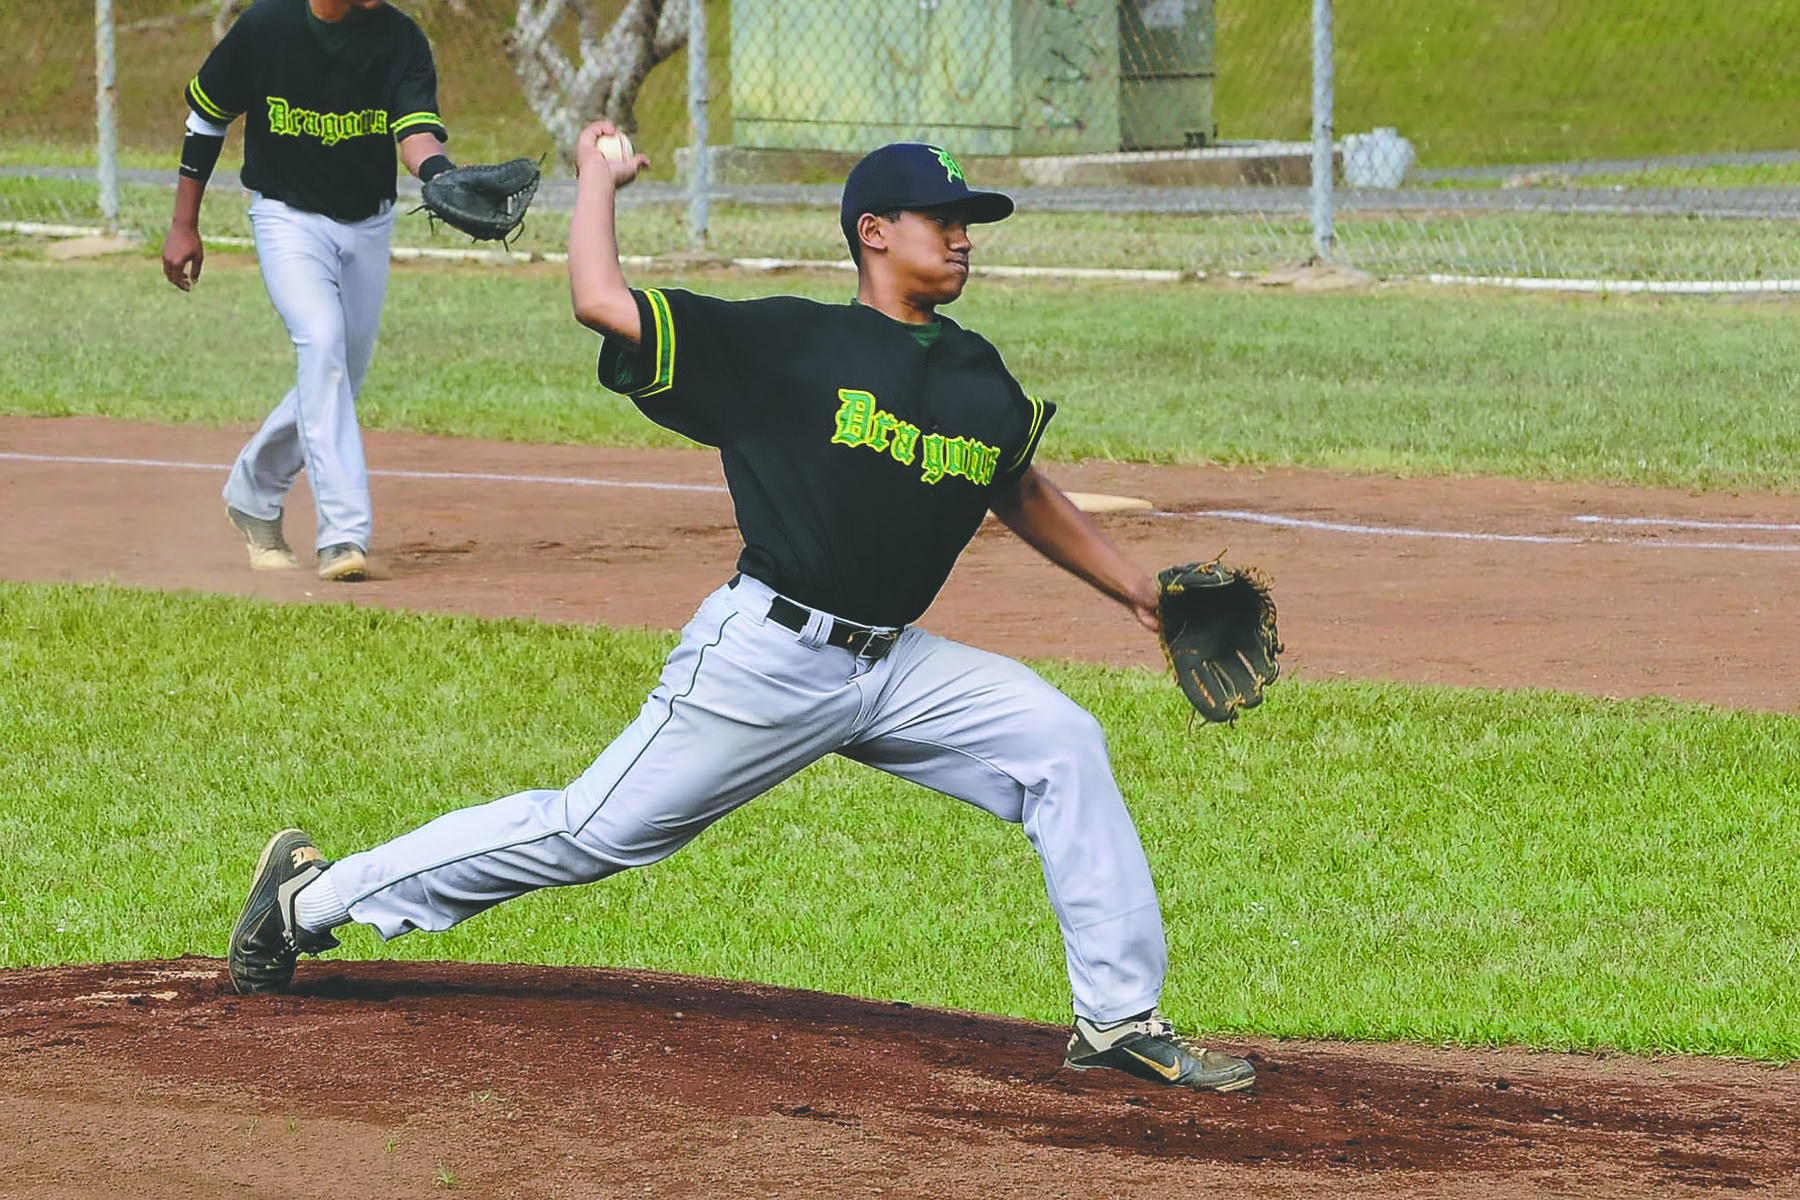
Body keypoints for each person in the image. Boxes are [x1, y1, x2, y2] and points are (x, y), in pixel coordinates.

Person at [226, 127, 1257, 1094]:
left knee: (1060, 741)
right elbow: (601, 301)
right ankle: (309, 901)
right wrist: (599, 179)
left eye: (967, 220)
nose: (960, 236)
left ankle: (1120, 1019)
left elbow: (1015, 484)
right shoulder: (785, 345)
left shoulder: (977, 371)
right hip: (766, 659)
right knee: (590, 830)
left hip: (896, 670)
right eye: (941, 217)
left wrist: (1140, 594)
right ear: (873, 232)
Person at [161, 0, 460, 582]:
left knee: (339, 374)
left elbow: (415, 129)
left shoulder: (399, 37)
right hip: (287, 218)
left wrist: (440, 176)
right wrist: (183, 223)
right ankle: (343, 534)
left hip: (369, 226)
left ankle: (251, 493)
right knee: (321, 344)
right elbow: (206, 118)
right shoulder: (265, 27)